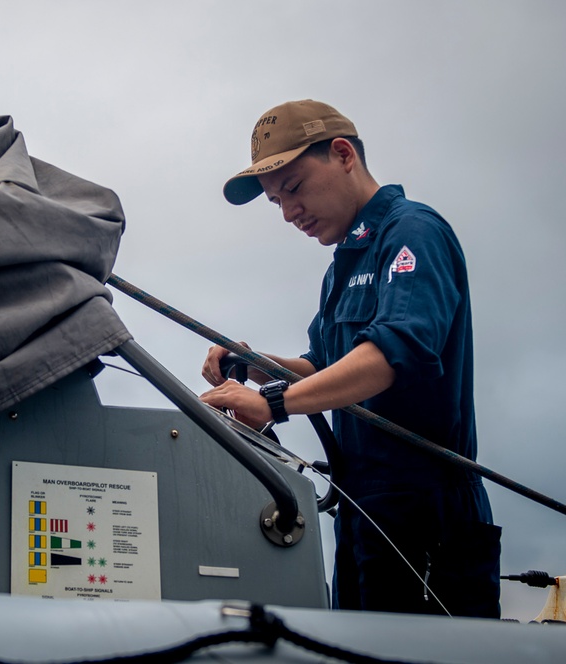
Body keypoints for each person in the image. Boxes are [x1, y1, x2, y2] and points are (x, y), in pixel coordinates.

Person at [200, 99, 501, 617]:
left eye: (292, 188)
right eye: (276, 202)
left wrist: (273, 402)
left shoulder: (413, 232)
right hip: (364, 512)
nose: (289, 212)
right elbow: (324, 366)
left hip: (430, 515)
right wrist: (253, 363)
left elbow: (390, 357)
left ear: (343, 155)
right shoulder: (343, 265)